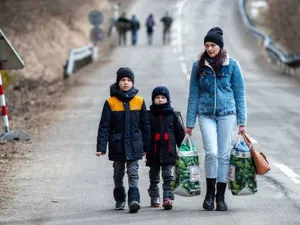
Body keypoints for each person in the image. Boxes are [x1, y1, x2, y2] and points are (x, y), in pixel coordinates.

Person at [185, 27, 247, 211]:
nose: (210, 48)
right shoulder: (198, 66)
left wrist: (242, 122)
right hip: (206, 114)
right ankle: (209, 194)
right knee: (211, 152)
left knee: (224, 154)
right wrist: (189, 123)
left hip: (227, 113)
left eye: (213, 45)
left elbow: (239, 93)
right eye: (207, 45)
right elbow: (193, 94)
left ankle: (221, 197)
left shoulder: (232, 65)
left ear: (220, 46)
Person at [96, 67, 150, 213]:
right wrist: (101, 147)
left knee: (133, 172)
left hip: (134, 145)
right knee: (118, 173)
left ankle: (134, 200)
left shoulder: (139, 101)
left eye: (128, 80)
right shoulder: (110, 102)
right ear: (118, 82)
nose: (126, 83)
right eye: (123, 80)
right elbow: (104, 126)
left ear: (132, 83)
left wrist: (146, 147)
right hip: (117, 145)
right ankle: (120, 199)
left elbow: (145, 126)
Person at [146, 86, 185, 210]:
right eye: (157, 98)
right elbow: (145, 134)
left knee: (168, 176)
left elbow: (180, 134)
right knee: (154, 176)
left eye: (163, 97)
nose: (160, 100)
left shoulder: (173, 115)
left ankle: (168, 198)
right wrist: (144, 149)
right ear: (153, 100)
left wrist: (183, 148)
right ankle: (154, 196)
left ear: (167, 99)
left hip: (169, 152)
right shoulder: (149, 115)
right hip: (153, 152)